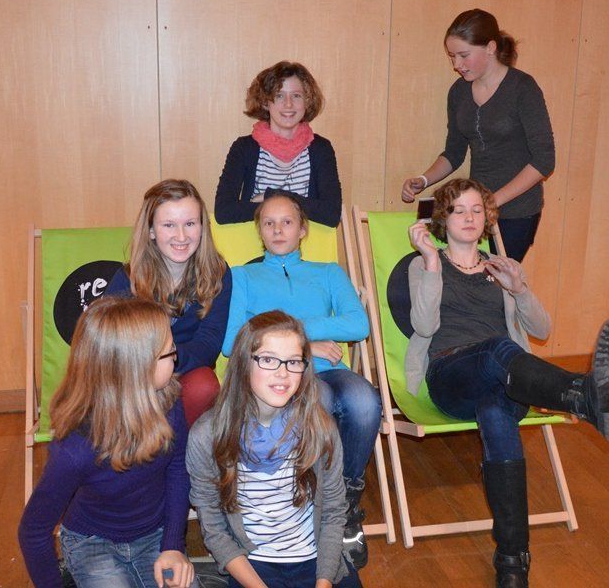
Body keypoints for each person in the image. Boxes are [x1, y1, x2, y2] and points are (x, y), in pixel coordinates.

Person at [405, 178, 609, 588]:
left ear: (487, 217)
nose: (469, 217)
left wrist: (520, 289)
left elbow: (542, 329)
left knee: (497, 413)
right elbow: (423, 325)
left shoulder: (503, 266)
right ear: (443, 217)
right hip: (450, 376)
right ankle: (583, 395)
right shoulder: (423, 264)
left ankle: (512, 560)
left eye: (477, 209)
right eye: (459, 210)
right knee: (497, 348)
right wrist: (430, 264)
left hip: (507, 380)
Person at [221, 193, 378, 570]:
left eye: (287, 222)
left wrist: (299, 331)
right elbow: (231, 342)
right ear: (260, 231)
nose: (278, 230)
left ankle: (345, 503)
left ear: (303, 229)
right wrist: (302, 343)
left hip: (329, 367)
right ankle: (313, 503)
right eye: (269, 223)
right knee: (318, 401)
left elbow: (358, 324)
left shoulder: (328, 273)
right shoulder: (242, 276)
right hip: (281, 375)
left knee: (365, 401)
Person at [18, 297, 195, 588]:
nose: (177, 355)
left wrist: (173, 545)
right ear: (137, 369)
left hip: (156, 534)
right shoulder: (75, 450)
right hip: (92, 543)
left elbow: (178, 469)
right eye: (170, 351)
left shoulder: (170, 402)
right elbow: (33, 531)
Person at [189, 310, 359, 588]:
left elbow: (332, 511)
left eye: (293, 361)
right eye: (268, 359)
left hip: (316, 560)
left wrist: (324, 581)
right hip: (252, 566)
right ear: (244, 363)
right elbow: (214, 527)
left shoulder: (319, 428)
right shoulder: (207, 435)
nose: (283, 373)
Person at [401, 9, 556, 262]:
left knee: (499, 280)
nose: (456, 65)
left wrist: (491, 201)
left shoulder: (523, 88)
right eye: (452, 57)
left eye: (464, 55)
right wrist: (423, 179)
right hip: (475, 211)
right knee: (470, 278)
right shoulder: (458, 92)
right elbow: (454, 153)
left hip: (517, 212)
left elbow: (544, 160)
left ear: (491, 48)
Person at [106, 179, 230, 426]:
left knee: (205, 386)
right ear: (151, 230)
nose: (181, 236)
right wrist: (150, 369)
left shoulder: (218, 273)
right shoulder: (128, 279)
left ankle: (187, 449)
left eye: (190, 224)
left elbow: (209, 343)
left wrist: (168, 361)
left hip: (188, 367)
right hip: (137, 374)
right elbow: (111, 344)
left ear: (202, 227)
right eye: (169, 225)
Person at [215, 61, 342, 227]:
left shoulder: (321, 149)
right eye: (279, 95)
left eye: (296, 96)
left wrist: (271, 196)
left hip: (306, 243)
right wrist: (295, 206)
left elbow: (332, 214)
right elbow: (223, 211)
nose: (288, 104)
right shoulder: (244, 148)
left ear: (307, 101)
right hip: (255, 243)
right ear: (265, 102)